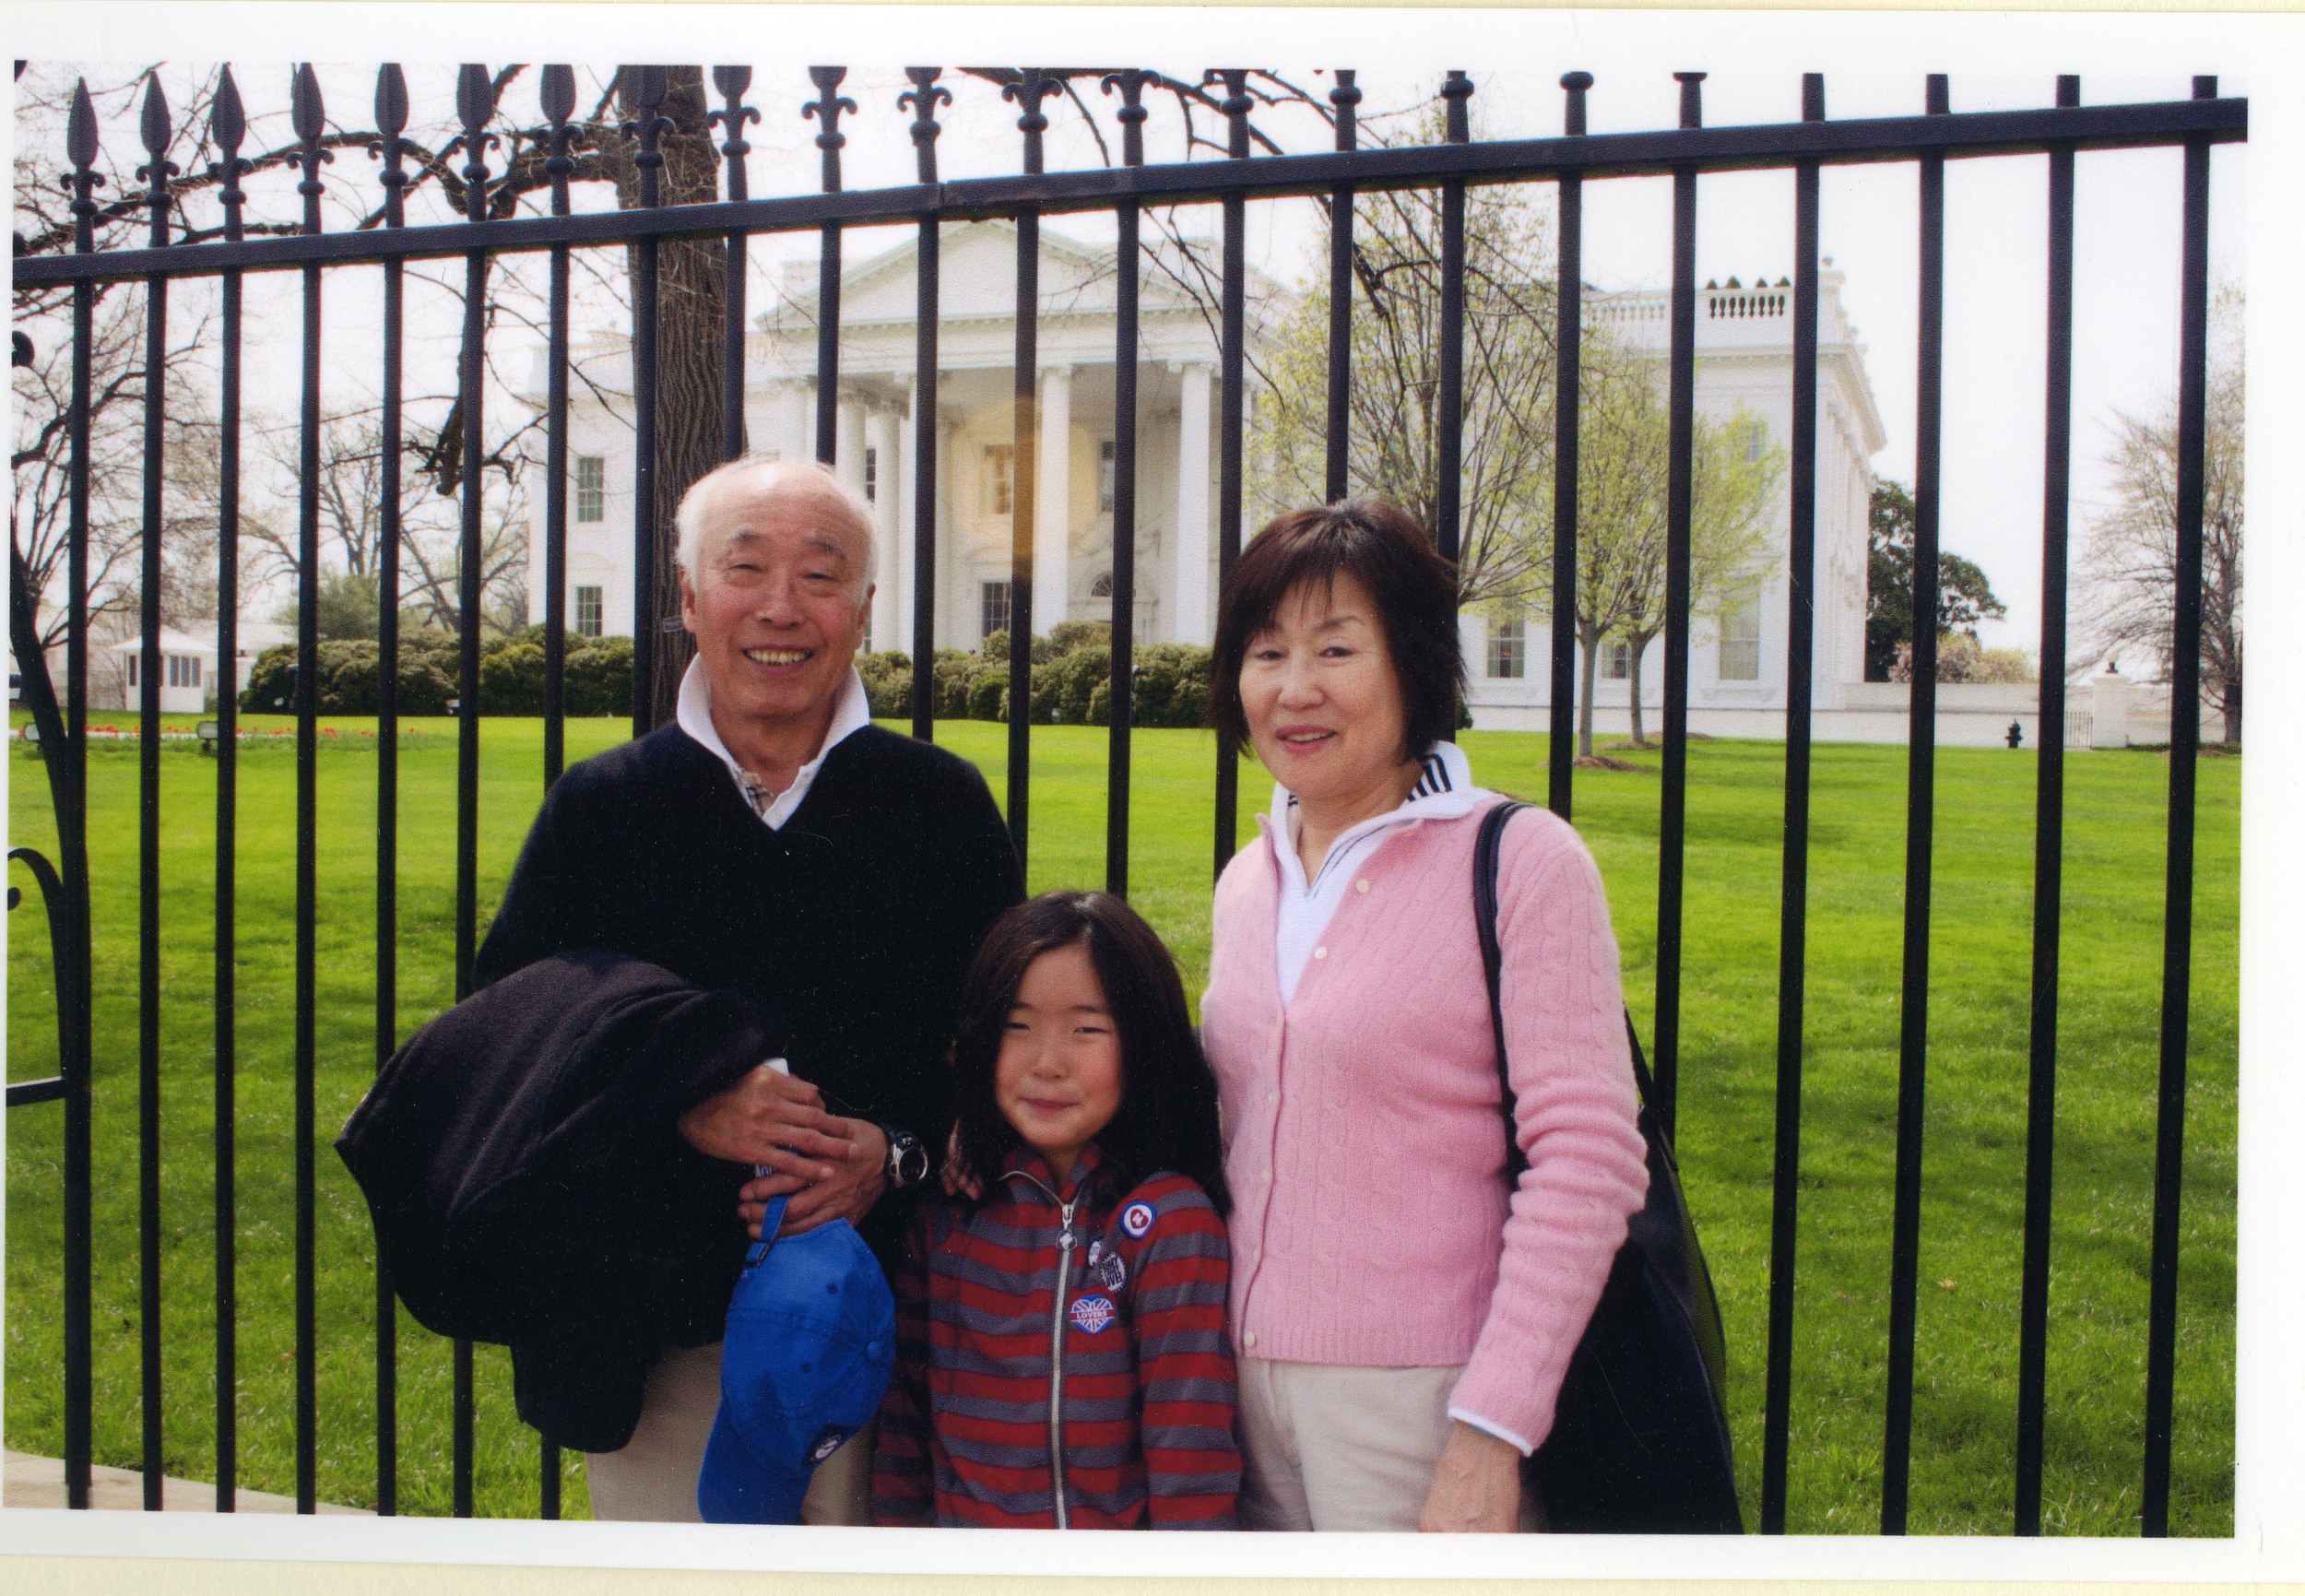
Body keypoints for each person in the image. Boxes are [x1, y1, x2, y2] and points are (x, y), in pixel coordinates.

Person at [473, 456, 1023, 1522]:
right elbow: (505, 1042)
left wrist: (892, 1152)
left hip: (886, 1325)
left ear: (863, 612)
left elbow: (1002, 1054)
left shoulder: (940, 810)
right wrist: (677, 1095)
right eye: (745, 568)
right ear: (688, 599)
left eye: (820, 576)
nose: (781, 608)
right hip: (652, 1334)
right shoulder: (603, 810)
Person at [1198, 499, 1651, 1533]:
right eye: (1265, 653)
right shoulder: (1248, 881)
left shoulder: (1521, 862)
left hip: (1420, 1405)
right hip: (1237, 1401)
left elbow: (1587, 1159)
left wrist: (1491, 1430)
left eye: (1335, 648)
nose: (1294, 688)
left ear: (1410, 663)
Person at [871, 892, 1240, 1530]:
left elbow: (1193, 1465)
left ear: (1143, 1042)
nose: (1048, 1062)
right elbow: (905, 1433)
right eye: (1018, 1026)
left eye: (1086, 1029)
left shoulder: (1168, 1226)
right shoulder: (948, 1217)